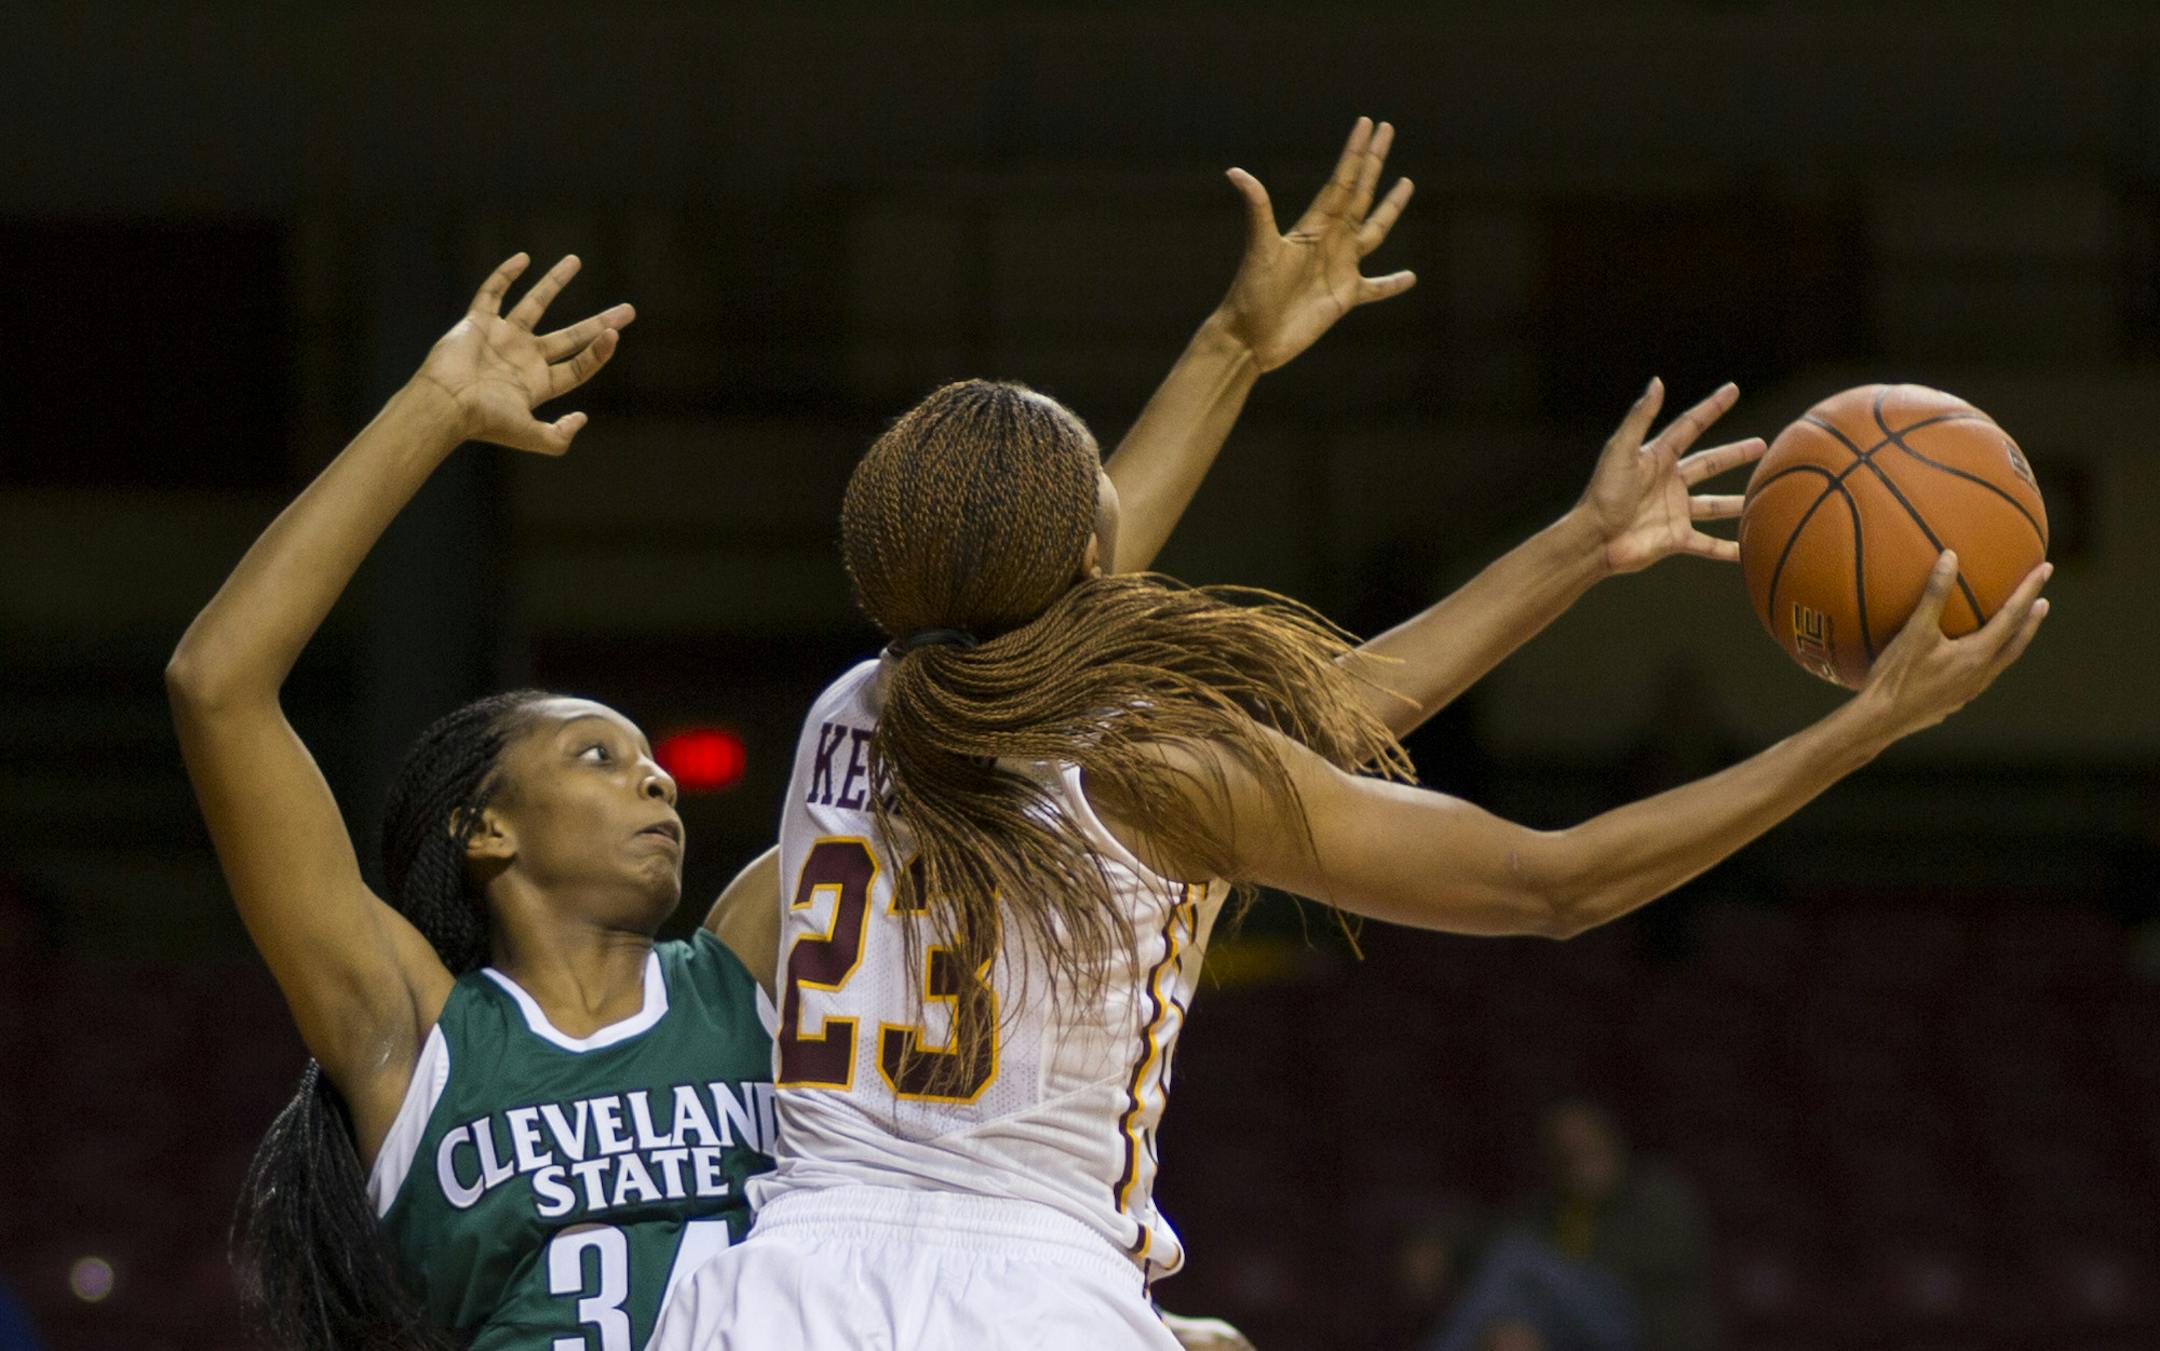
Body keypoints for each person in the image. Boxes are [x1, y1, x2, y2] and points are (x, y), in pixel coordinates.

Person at [654, 104, 2052, 1348]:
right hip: (1022, 1292)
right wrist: (1860, 730)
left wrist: (1561, 537)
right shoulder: (1150, 762)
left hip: (775, 1287)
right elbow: (1556, 883)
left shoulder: (860, 705)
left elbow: (1312, 705)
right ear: (1089, 559)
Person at [166, 254, 782, 1351]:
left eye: (650, 761)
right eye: (598, 755)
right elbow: (217, 687)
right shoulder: (415, 1038)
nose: (657, 776)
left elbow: (984, 698)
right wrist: (434, 410)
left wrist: (1211, 351)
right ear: (484, 828)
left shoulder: (744, 975)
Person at [1421, 1101, 1715, 1351]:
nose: (1575, 1145)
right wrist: (1439, 1242)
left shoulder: (1653, 1188)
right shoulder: (1556, 1202)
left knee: (1520, 1258)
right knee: (1510, 1313)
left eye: (1583, 1135)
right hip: (1572, 1324)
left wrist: (1606, 1201)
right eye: (1564, 1142)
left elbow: (1675, 1256)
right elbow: (1493, 1234)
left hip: (1642, 1321)